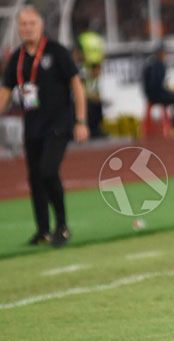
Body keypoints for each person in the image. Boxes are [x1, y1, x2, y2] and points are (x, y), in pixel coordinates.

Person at [0, 6, 89, 247]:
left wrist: (81, 121)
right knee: (35, 179)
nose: (27, 28)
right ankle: (42, 230)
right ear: (18, 28)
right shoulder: (16, 58)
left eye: (32, 23)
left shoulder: (56, 51)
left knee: (48, 171)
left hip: (59, 123)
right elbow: (6, 91)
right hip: (32, 126)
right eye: (23, 24)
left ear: (40, 26)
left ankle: (62, 225)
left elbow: (77, 86)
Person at [142, 44, 174, 127]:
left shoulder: (154, 63)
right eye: (164, 53)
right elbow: (155, 84)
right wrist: (167, 91)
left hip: (155, 93)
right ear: (159, 53)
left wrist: (169, 91)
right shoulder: (156, 65)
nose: (166, 55)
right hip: (156, 95)